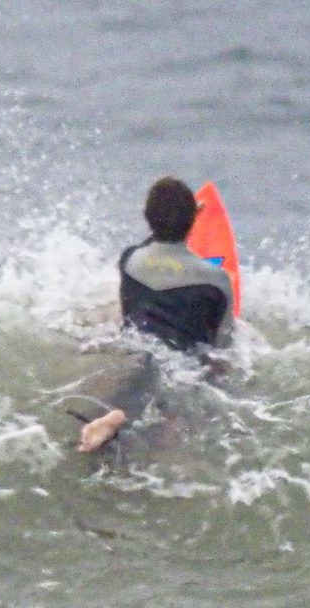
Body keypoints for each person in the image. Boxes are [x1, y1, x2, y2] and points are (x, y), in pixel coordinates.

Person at [74, 176, 236, 454]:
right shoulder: (216, 280)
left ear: (147, 219)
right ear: (193, 222)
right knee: (168, 417)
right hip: (184, 364)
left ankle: (110, 421)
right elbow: (223, 342)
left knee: (138, 385)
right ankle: (119, 425)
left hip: (140, 348)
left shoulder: (130, 260)